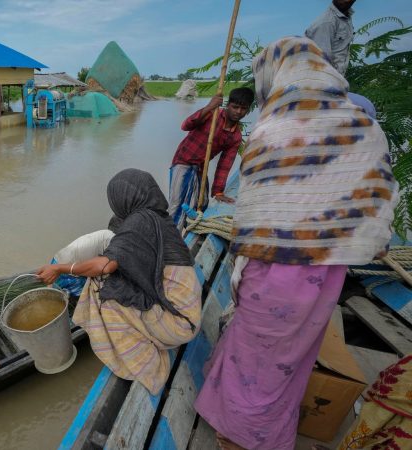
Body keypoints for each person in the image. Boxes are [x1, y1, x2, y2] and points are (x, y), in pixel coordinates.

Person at [193, 36, 397, 450]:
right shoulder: (365, 128)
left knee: (256, 353)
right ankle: (255, 426)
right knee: (291, 355)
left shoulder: (274, 129)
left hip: (275, 268)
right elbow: (377, 205)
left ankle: (240, 435)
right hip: (327, 270)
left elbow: (251, 215)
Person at [37, 169, 201, 393]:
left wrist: (61, 268)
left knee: (100, 290)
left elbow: (105, 266)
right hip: (187, 311)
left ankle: (146, 365)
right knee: (111, 281)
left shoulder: (141, 220)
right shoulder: (158, 218)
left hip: (179, 322)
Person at [167, 87, 254, 229]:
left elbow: (224, 165)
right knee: (176, 204)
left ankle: (189, 231)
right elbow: (185, 125)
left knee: (202, 203)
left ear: (248, 110)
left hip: (200, 167)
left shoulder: (235, 136)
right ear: (228, 105)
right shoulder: (211, 114)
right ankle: (169, 237)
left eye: (243, 108)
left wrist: (218, 191)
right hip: (183, 161)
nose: (238, 112)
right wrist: (209, 107)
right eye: (235, 107)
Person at [50, 230, 115, 298]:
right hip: (63, 270)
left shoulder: (108, 235)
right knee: (86, 290)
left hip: (58, 263)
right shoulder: (112, 243)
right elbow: (104, 268)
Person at [305, 0, 356, 76]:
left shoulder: (345, 17)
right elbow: (320, 65)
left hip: (336, 80)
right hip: (324, 82)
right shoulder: (326, 23)